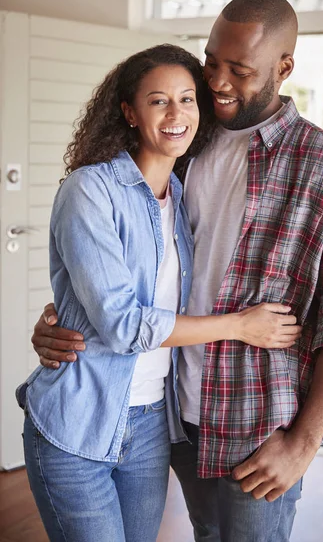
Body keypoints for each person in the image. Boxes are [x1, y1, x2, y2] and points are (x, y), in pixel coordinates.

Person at [31, 0, 323, 542]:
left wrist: (305, 442)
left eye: (239, 70)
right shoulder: (189, 141)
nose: (216, 81)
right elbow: (130, 271)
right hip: (173, 416)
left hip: (258, 425)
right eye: (211, 62)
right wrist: (62, 319)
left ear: (283, 67)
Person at [17, 43, 302, 542]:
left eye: (188, 99)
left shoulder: (185, 190)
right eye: (158, 101)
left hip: (152, 424)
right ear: (129, 111)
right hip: (79, 419)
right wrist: (241, 325)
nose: (177, 114)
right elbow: (124, 324)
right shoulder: (89, 190)